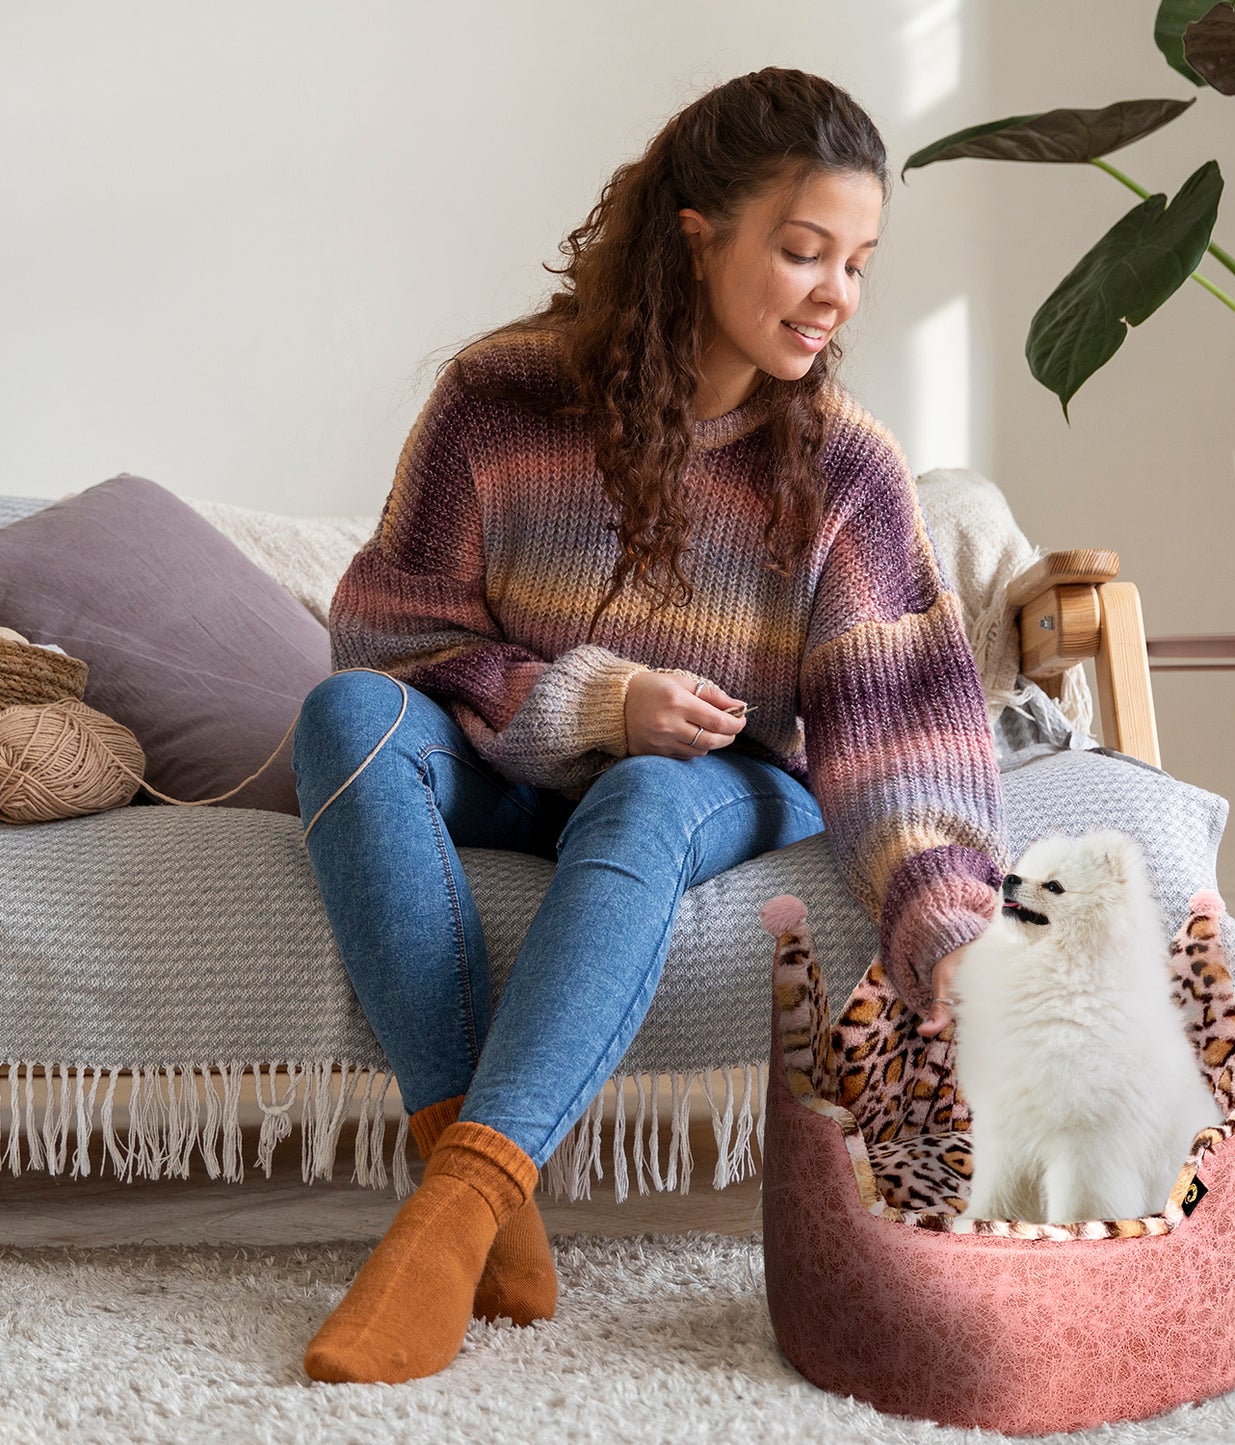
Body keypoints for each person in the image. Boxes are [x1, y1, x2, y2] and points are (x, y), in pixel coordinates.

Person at [292, 66, 1005, 1386]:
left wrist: (947, 927)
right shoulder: (497, 400)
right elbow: (390, 639)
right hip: (514, 755)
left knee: (643, 793)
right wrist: (596, 701)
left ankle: (448, 1214)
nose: (835, 294)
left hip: (722, 783)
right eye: (802, 252)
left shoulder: (842, 465)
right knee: (342, 715)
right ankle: (484, 1195)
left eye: (855, 261)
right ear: (695, 235)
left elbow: (895, 733)